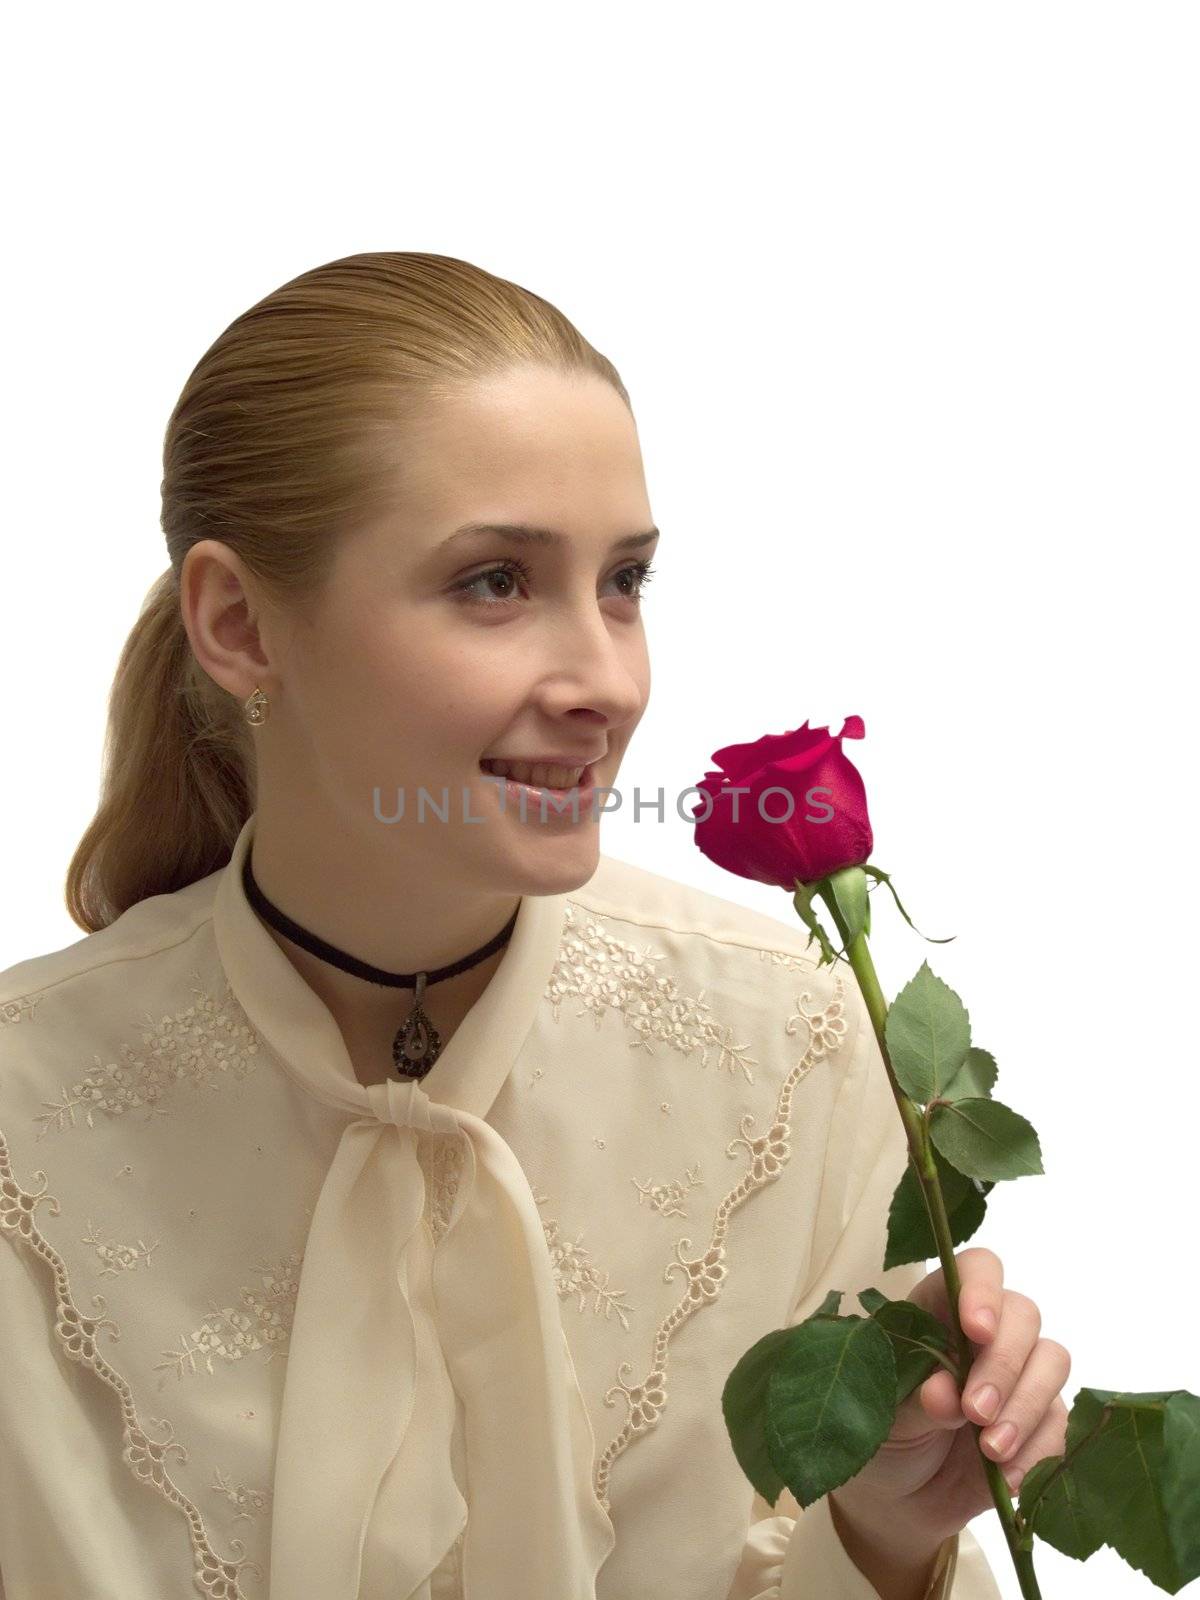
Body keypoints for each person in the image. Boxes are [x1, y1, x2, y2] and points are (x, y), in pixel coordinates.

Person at [0, 253, 1051, 1599]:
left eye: (624, 582)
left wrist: (893, 1537)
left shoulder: (795, 1054)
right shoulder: (24, 1115)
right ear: (239, 623)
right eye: (495, 582)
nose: (606, 682)